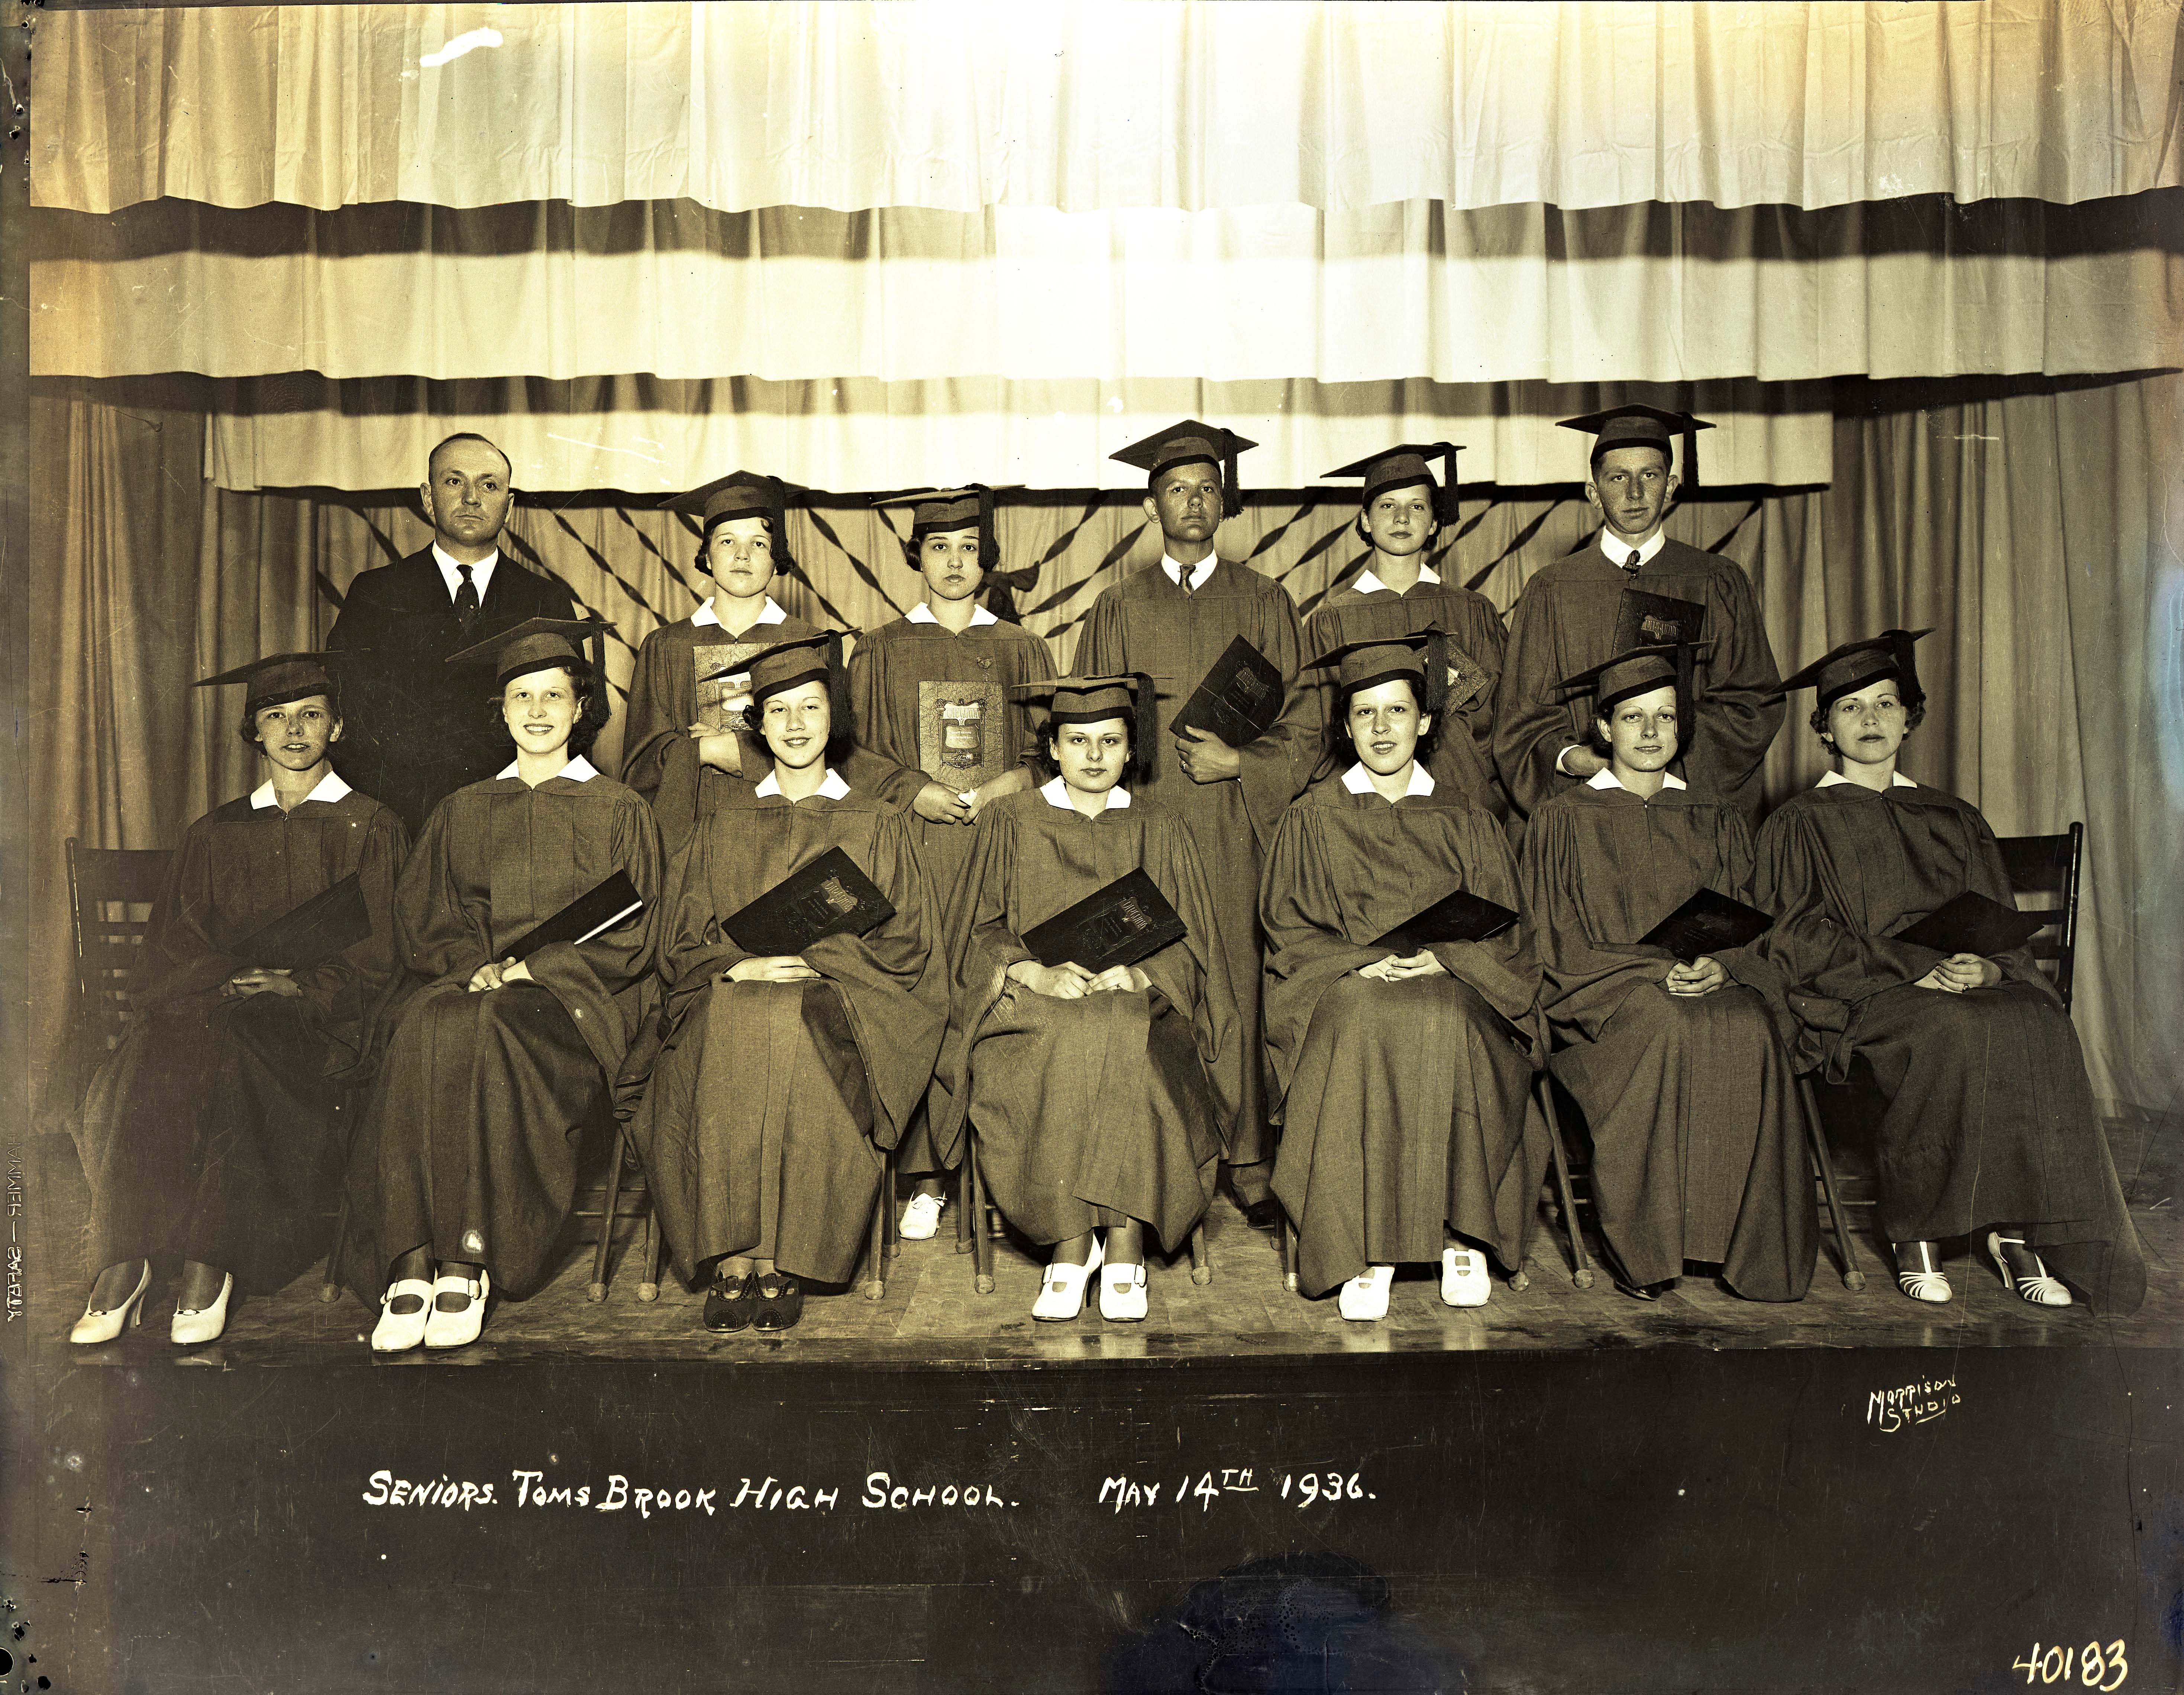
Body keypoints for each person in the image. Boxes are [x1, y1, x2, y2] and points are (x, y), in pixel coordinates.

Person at [1752, 630, 2145, 1311]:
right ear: (1823, 727)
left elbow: (1997, 922)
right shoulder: (1799, 823)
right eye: (1850, 707)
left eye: (1885, 704)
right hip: (1862, 994)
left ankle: (2019, 1233)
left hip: (1963, 987)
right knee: (1950, 1030)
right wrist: (1911, 968)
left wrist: (1991, 971)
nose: (1870, 719)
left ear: (1910, 719)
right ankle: (1920, 1232)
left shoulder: (1955, 817)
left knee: (2039, 1021)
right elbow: (1791, 938)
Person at [341, 618, 664, 1353]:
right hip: (476, 990)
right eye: (523, 696)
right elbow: (427, 919)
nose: (539, 711)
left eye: (554, 695)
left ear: (581, 708)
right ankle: (409, 1255)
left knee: (485, 1026)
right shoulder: (464, 809)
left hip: (579, 1004)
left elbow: (637, 935)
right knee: (424, 1022)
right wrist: (474, 967)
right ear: (503, 710)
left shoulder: (621, 810)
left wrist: (534, 970)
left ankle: (469, 1257)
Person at [70, 653, 407, 1347]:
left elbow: (384, 957)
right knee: (156, 1042)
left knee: (237, 1039)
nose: (294, 730)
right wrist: (222, 980)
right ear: (254, 731)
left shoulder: (373, 827)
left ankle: (210, 1261)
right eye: (275, 716)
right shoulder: (214, 832)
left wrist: (299, 986)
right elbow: (172, 951)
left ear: (338, 727)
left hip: (319, 1033)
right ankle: (126, 1259)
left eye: (311, 714)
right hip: (219, 1011)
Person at [624, 633, 947, 1334]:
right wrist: (734, 966)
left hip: (843, 1011)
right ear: (758, 725)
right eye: (779, 710)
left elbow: (910, 948)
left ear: (836, 719)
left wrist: (826, 961)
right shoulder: (721, 823)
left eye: (811, 707)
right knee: (741, 1013)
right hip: (726, 1006)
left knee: (781, 1016)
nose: (796, 724)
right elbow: (680, 941)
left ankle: (781, 1256)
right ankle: (734, 1252)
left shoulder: (879, 823)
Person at [1519, 643, 1815, 1301]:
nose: (1651, 732)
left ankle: (1739, 1249)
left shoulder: (1716, 815)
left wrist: (1726, 965)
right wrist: (1649, 975)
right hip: (1604, 1006)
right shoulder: (1562, 819)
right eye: (1633, 717)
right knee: (1664, 1023)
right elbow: (1552, 940)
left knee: (1752, 1025)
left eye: (1665, 716)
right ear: (1604, 727)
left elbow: (1754, 922)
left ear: (1684, 726)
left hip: (1708, 986)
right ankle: (1647, 1251)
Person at [1260, 633, 1543, 1320]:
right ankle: (1365, 1244)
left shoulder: (1468, 819)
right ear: (1345, 726)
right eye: (1364, 712)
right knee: (1363, 1015)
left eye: (1397, 710)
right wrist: (1357, 959)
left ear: (1426, 721)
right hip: (1347, 988)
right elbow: (1288, 931)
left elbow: (1510, 935)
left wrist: (1451, 958)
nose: (1382, 727)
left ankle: (1461, 1235)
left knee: (1444, 1013)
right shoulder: (1310, 818)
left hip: (1458, 987)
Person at [933, 675, 1233, 1323]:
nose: (1094, 755)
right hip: (1032, 1009)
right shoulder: (1011, 820)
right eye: (1077, 741)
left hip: (1140, 1005)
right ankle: (1072, 1239)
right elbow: (976, 930)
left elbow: (1196, 943)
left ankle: (1122, 1237)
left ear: (1131, 750)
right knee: (1070, 1035)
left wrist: (1145, 975)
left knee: (1121, 1029)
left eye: (1110, 741)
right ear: (1052, 747)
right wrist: (1030, 973)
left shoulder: (1162, 825)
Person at [1073, 421, 1314, 1223]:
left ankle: (1247, 1158)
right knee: (1153, 981)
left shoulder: (1266, 601)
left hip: (1233, 827)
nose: (1193, 502)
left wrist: (1242, 763)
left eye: (1208, 489)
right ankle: (1159, 1154)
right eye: (1176, 489)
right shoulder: (1116, 607)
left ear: (1225, 502)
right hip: (1142, 826)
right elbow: (1083, 720)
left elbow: (1309, 721)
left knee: (1237, 983)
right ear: (1152, 505)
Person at [853, 486, 1057, 1240]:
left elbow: (1058, 750)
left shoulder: (1021, 649)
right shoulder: (880, 649)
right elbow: (854, 753)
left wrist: (1013, 781)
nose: (954, 562)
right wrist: (913, 789)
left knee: (991, 992)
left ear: (987, 559)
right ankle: (928, 1176)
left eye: (969, 548)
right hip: (913, 855)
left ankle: (1005, 1167)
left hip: (1001, 854)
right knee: (924, 1001)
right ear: (917, 557)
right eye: (938, 547)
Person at [1495, 406, 1783, 822]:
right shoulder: (1551, 588)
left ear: (1670, 487)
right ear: (1593, 492)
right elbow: (1521, 717)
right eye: (1618, 478)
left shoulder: (1716, 579)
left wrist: (1659, 751)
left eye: (1649, 475)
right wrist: (1578, 758)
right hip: (1587, 811)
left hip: (1686, 810)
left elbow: (1752, 703)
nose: (1634, 493)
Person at [327, 433, 581, 835]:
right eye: (454, 481)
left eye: (489, 485)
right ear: (428, 498)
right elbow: (344, 714)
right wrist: (392, 815)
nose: (471, 498)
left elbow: (575, 717)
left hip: (517, 817)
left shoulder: (544, 600)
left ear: (509, 506)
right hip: (403, 818)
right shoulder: (376, 593)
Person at [1302, 444, 1511, 822]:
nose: (1402, 518)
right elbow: (1317, 729)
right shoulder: (1332, 620)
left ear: (1434, 522)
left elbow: (1503, 716)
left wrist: (1460, 760)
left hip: (1463, 803)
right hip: (1364, 810)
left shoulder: (1472, 610)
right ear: (1365, 520)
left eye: (1417, 506)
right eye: (1387, 506)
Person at [619, 471, 822, 857]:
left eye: (759, 543)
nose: (742, 555)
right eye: (727, 541)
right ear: (707, 556)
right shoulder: (666, 646)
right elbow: (640, 767)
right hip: (691, 843)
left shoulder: (809, 643)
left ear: (777, 558)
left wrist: (734, 749)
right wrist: (700, 752)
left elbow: (838, 758)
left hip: (791, 837)